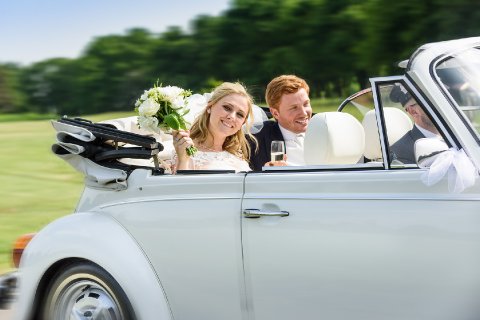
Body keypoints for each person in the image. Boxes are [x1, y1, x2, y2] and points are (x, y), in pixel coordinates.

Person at [172, 82, 256, 172]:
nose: (232, 116)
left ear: (242, 123)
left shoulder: (238, 158)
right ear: (210, 107)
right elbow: (181, 185)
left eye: (240, 114)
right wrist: (183, 160)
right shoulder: (184, 150)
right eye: (227, 108)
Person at [249, 75, 312, 171]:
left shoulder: (323, 131)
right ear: (275, 113)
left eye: (306, 104)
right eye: (294, 108)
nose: (303, 113)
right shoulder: (256, 141)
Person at [389, 84, 441, 164]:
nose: (439, 106)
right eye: (430, 102)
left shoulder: (456, 135)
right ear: (413, 111)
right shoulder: (402, 152)